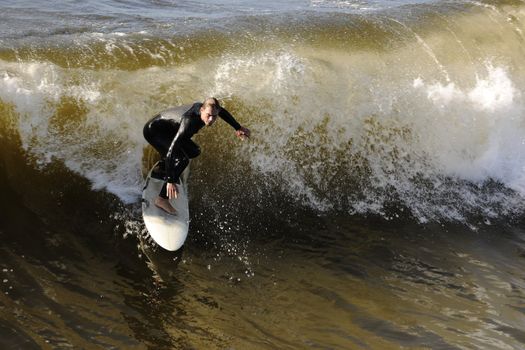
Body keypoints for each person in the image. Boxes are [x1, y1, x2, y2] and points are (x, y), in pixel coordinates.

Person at [143, 97, 250, 214]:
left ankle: (162, 168)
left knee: (194, 151)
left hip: (170, 129)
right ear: (202, 110)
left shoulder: (211, 110)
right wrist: (170, 180)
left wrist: (238, 127)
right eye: (208, 115)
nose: (210, 119)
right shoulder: (189, 122)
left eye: (214, 116)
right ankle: (162, 199)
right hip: (154, 131)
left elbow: (222, 112)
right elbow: (172, 150)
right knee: (182, 160)